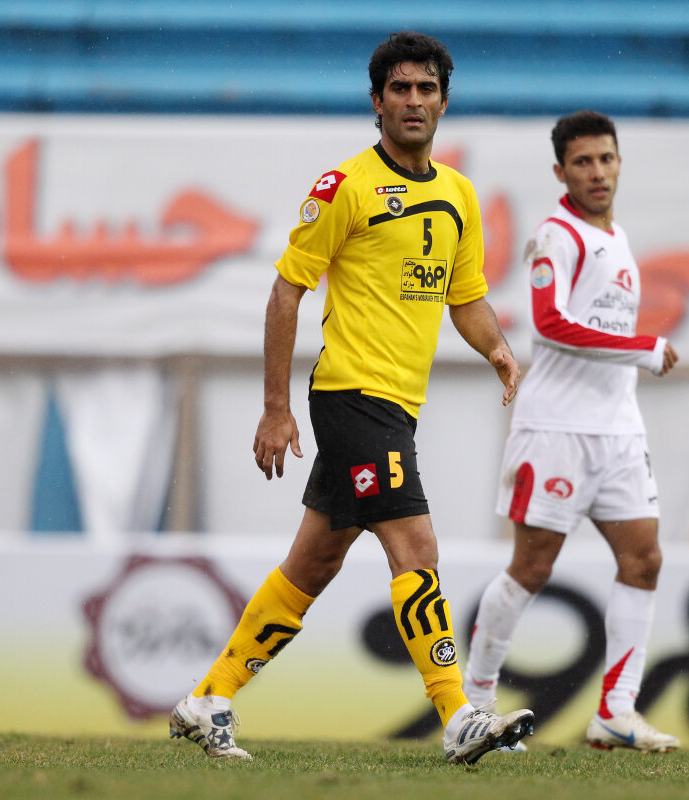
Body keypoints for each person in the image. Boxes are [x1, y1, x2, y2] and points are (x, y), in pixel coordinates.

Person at [169, 31, 534, 765]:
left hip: (397, 405)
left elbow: (465, 297)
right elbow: (286, 291)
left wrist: (497, 349)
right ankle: (457, 715)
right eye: (399, 89)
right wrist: (276, 408)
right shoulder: (345, 187)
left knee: (313, 563)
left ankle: (207, 699)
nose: (413, 101)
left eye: (426, 89)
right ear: (376, 101)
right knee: (416, 547)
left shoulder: (458, 195)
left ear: (444, 102)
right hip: (352, 396)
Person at [462, 110, 681, 753]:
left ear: (620, 163)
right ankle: (475, 704)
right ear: (561, 172)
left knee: (644, 561)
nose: (597, 172)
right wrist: (643, 347)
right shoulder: (554, 237)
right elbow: (549, 325)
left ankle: (616, 710)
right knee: (532, 567)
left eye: (606, 159)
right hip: (556, 429)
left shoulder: (618, 237)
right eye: (583, 162)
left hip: (619, 432)